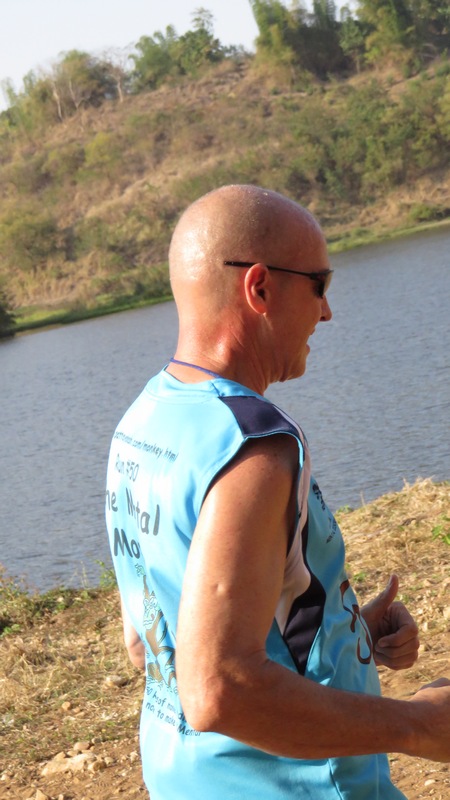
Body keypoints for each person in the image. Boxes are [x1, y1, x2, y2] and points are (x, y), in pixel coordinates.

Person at [105, 184, 450, 800]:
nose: (327, 312)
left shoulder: (145, 422)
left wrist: (345, 636)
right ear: (260, 287)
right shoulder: (255, 444)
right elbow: (219, 690)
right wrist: (419, 725)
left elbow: (148, 644)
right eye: (319, 284)